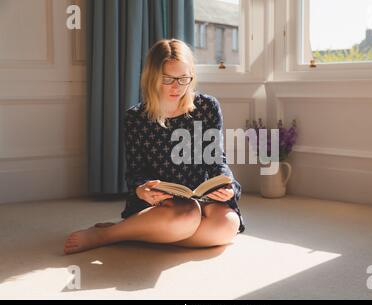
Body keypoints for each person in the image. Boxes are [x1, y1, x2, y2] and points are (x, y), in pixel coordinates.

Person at [64, 39, 245, 255]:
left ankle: (141, 233)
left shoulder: (207, 107)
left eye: (183, 79)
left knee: (228, 225)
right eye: (168, 79)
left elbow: (217, 161)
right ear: (153, 76)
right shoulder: (135, 117)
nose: (177, 87)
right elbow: (135, 173)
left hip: (201, 193)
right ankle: (105, 235)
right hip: (164, 202)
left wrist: (227, 186)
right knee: (187, 216)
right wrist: (142, 190)